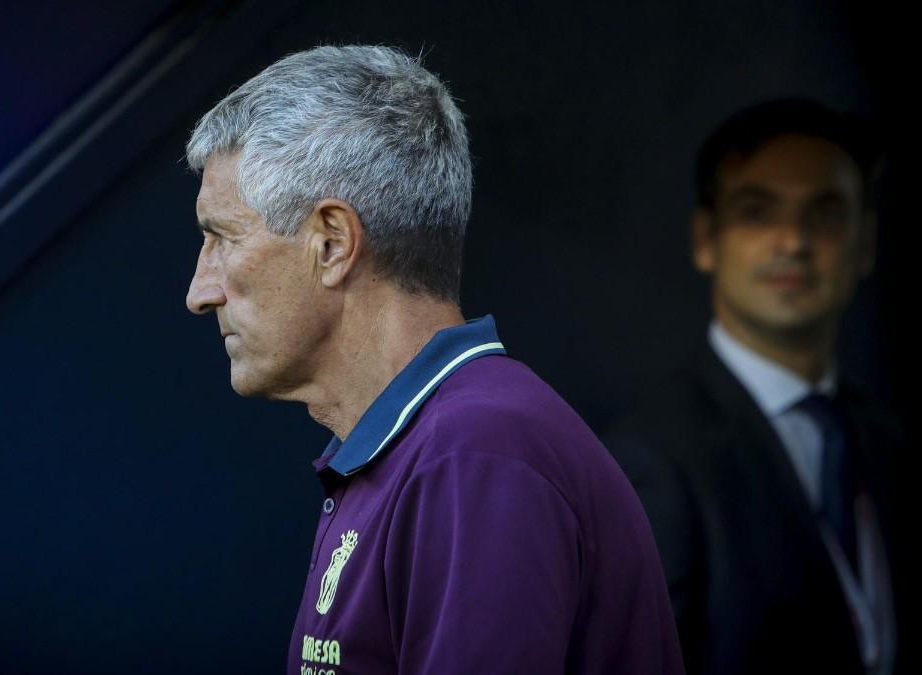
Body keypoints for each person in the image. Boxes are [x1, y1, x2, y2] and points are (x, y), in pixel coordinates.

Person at [183, 45, 683, 675]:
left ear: (333, 243)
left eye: (223, 238)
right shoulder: (428, 447)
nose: (200, 292)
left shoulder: (475, 453)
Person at [605, 99, 902, 675]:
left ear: (864, 244)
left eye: (825, 213)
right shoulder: (650, 460)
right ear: (705, 239)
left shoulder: (888, 441)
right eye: (757, 212)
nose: (792, 240)